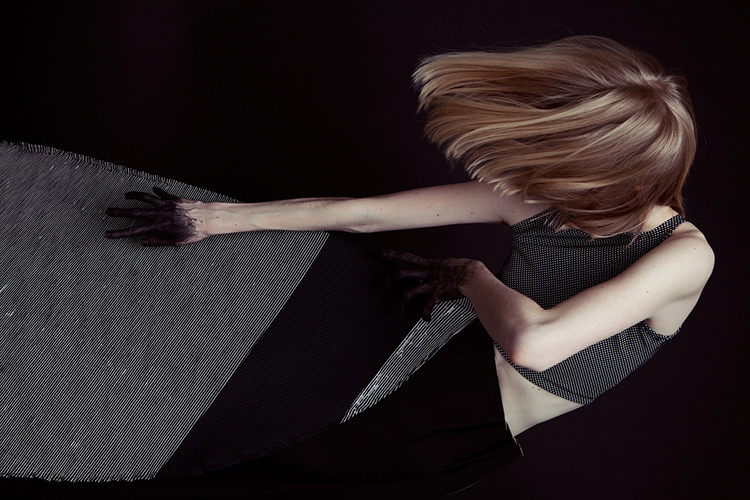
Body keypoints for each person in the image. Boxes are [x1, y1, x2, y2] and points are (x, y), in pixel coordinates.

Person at [1, 35, 713, 499]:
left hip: (452, 420)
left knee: (227, 462)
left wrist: (469, 274)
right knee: (227, 333)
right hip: (422, 355)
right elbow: (366, 212)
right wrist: (214, 219)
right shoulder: (540, 201)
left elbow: (534, 341)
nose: (531, 180)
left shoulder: (682, 254)